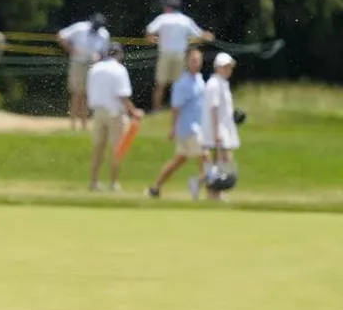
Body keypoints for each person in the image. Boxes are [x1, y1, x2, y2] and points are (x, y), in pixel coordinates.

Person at [146, 47, 208, 200]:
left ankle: (155, 188)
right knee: (205, 159)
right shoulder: (182, 83)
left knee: (179, 160)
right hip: (189, 129)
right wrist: (173, 128)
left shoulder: (200, 80)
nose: (197, 63)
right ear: (187, 62)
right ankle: (208, 191)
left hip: (197, 128)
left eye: (198, 60)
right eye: (193, 60)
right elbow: (175, 108)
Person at [85, 42, 143, 192]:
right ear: (118, 54)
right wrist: (134, 112)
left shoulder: (95, 69)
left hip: (97, 113)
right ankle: (113, 183)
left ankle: (93, 182)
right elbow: (122, 96)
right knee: (116, 150)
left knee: (98, 149)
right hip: (115, 113)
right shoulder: (119, 70)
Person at [145, 0, 214, 112]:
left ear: (168, 8)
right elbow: (199, 34)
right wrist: (209, 36)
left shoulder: (162, 18)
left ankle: (156, 109)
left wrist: (152, 40)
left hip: (165, 54)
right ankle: (178, 108)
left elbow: (149, 31)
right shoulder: (185, 20)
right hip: (180, 56)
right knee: (179, 84)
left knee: (160, 84)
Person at [57, 13, 110, 131]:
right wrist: (71, 50)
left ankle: (84, 126)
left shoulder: (104, 35)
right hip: (78, 64)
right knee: (76, 94)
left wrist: (99, 57)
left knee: (86, 96)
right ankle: (73, 126)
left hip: (92, 66)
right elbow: (61, 36)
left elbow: (104, 53)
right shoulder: (80, 28)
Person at [201, 52, 240, 201]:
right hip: (218, 131)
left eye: (229, 67)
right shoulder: (215, 83)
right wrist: (216, 132)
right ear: (218, 67)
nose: (228, 69)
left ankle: (216, 192)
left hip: (223, 130)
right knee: (223, 161)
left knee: (221, 162)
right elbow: (214, 109)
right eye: (225, 67)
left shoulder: (222, 83)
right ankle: (214, 192)